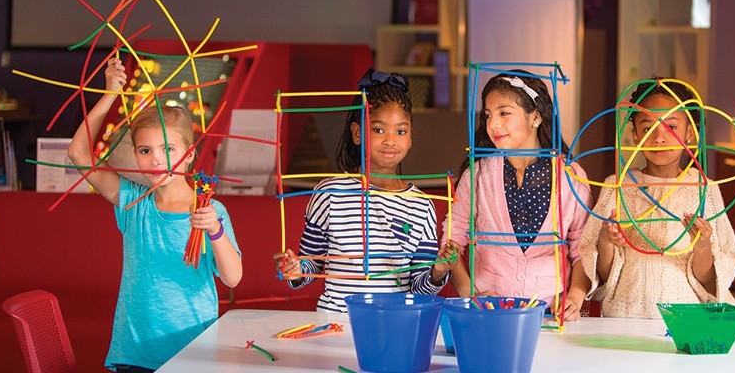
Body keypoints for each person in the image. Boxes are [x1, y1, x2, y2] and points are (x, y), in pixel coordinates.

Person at [67, 57, 243, 372]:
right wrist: (111, 95)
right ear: (135, 154)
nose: (156, 160)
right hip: (134, 352)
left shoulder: (210, 210)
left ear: (189, 156)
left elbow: (232, 277)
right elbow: (78, 154)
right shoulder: (132, 202)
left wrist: (214, 230)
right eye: (145, 151)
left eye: (168, 150)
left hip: (195, 351)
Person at [274, 69, 459, 312]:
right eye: (379, 130)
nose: (391, 140)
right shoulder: (329, 193)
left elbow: (418, 287)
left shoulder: (421, 206)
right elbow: (313, 265)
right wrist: (296, 269)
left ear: (411, 137)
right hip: (337, 323)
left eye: (401, 131)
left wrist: (439, 270)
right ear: (357, 133)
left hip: (394, 324)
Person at [572, 79, 735, 318]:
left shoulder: (705, 190)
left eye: (671, 127)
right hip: (624, 317)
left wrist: (702, 245)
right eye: (647, 128)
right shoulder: (616, 187)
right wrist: (605, 241)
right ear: (635, 136)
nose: (659, 138)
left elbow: (709, 281)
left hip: (684, 318)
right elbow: (603, 275)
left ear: (690, 132)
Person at [446, 70, 592, 321]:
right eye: (488, 115)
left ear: (535, 116)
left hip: (550, 314)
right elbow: (452, 241)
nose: (493, 124)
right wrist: (471, 293)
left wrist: (575, 298)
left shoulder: (571, 176)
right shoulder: (478, 174)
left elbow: (583, 249)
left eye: (504, 113)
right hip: (488, 315)